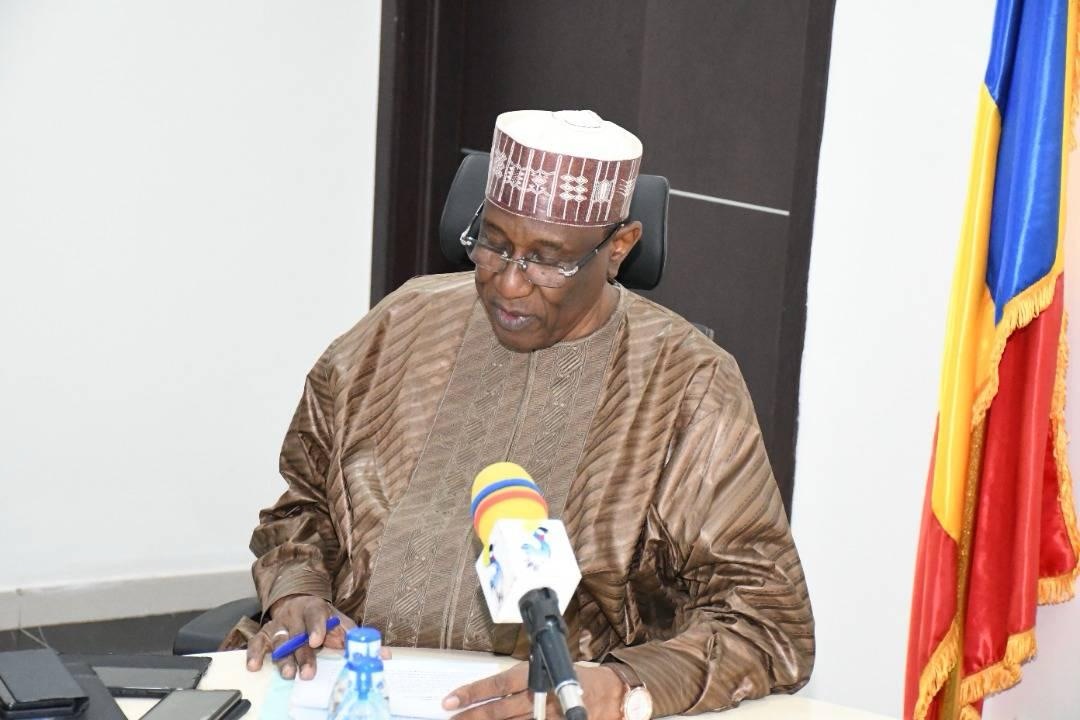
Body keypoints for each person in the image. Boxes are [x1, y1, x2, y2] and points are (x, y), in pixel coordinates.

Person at [242, 109, 814, 718]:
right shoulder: (401, 323)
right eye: (493, 243)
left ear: (618, 249)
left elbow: (767, 624)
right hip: (351, 692)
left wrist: (621, 686)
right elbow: (304, 504)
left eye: (548, 260)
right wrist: (297, 590)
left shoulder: (688, 383)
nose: (509, 283)